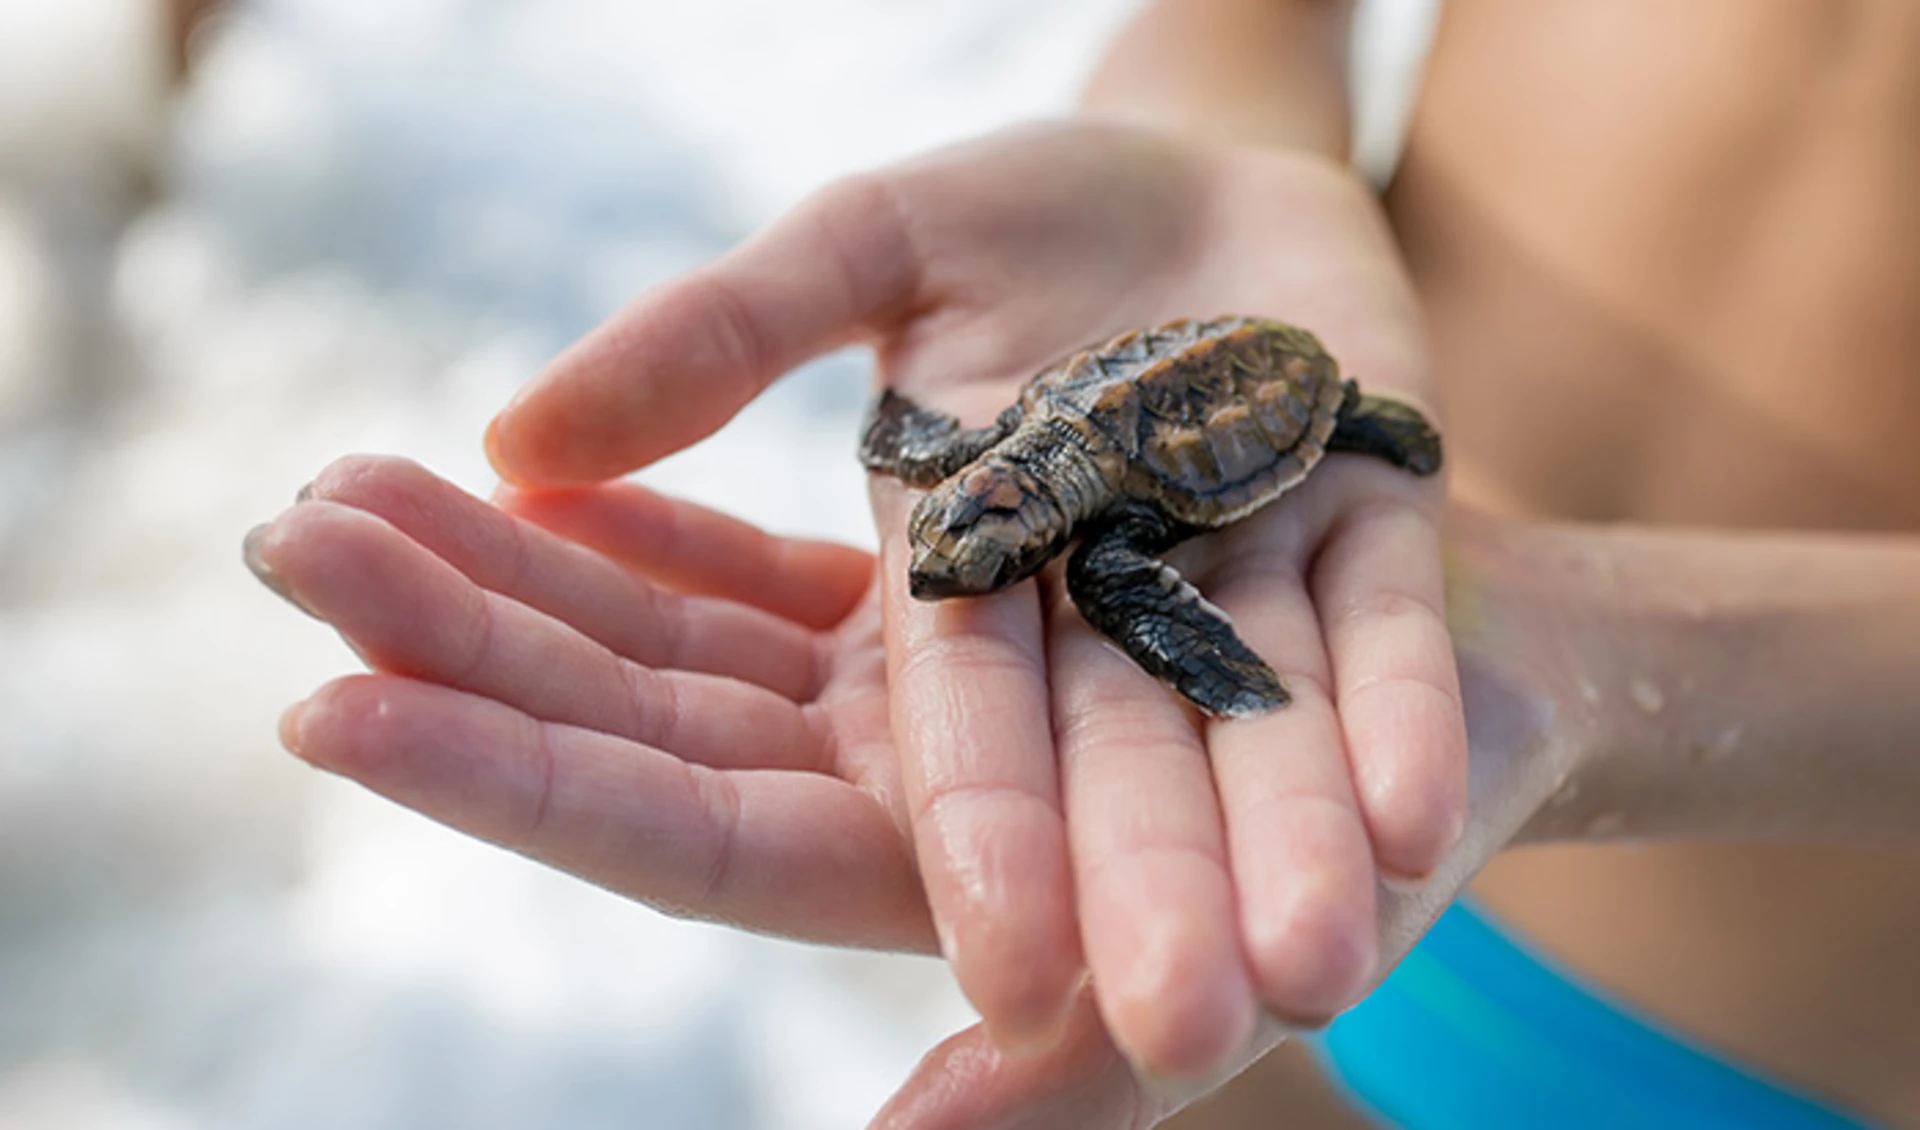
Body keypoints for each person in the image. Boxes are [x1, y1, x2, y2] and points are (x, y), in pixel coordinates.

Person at [245, 0, 1920, 1126]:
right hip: (1293, 916)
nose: (957, 570)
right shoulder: (1004, 483)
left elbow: (1135, 585)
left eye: (984, 555)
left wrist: (1603, 650)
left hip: (1730, 1043)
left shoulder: (1112, 558)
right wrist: (1215, 121)